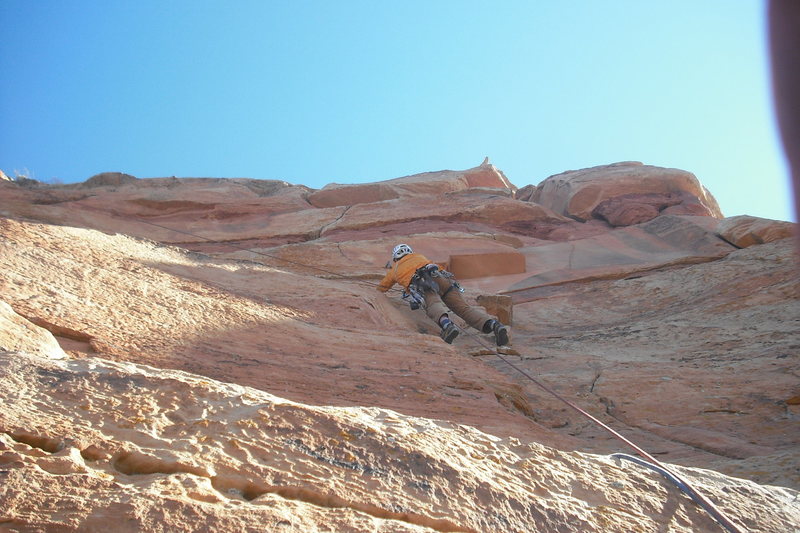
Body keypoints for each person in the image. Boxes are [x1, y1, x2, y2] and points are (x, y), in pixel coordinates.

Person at [377, 243, 510, 345]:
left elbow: (383, 286)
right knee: (464, 308)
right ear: (410, 252)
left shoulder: (395, 268)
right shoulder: (419, 256)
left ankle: (448, 326)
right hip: (442, 279)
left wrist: (375, 292)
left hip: (423, 282)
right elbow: (438, 267)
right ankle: (494, 325)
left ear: (395, 258)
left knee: (433, 304)